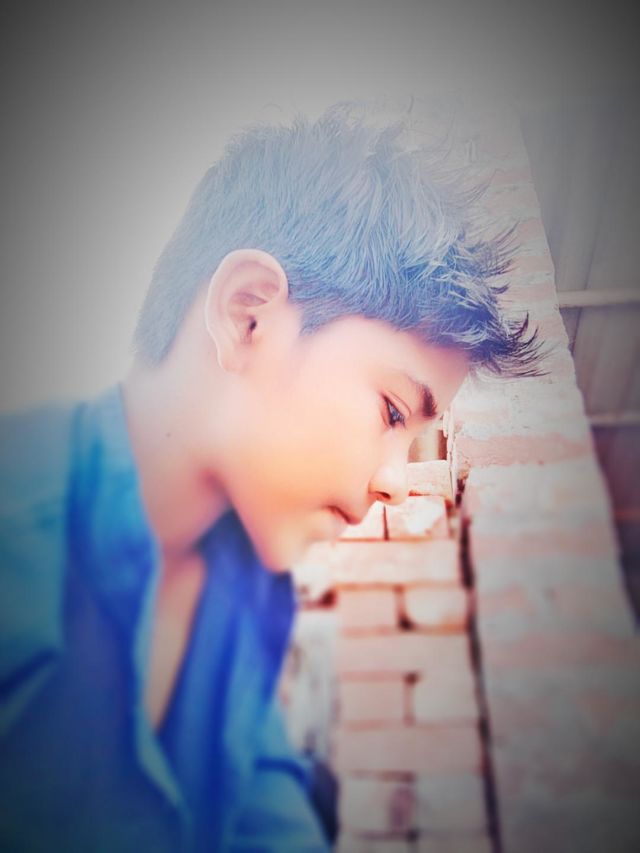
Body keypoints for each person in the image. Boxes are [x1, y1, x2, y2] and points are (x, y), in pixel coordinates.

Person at [0, 103, 541, 851]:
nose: (397, 484)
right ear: (247, 316)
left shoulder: (249, 596)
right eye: (392, 411)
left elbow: (265, 802)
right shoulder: (19, 517)